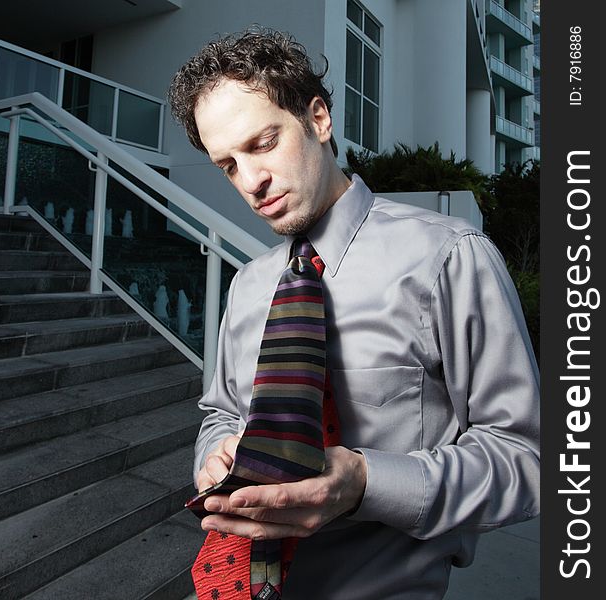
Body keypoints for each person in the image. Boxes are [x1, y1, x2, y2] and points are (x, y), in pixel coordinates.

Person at [167, 27, 540, 599]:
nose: (251, 182)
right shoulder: (247, 285)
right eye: (228, 165)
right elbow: (219, 412)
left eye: (263, 143)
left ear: (318, 120)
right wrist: (214, 457)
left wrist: (366, 483)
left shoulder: (448, 258)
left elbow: (528, 459)